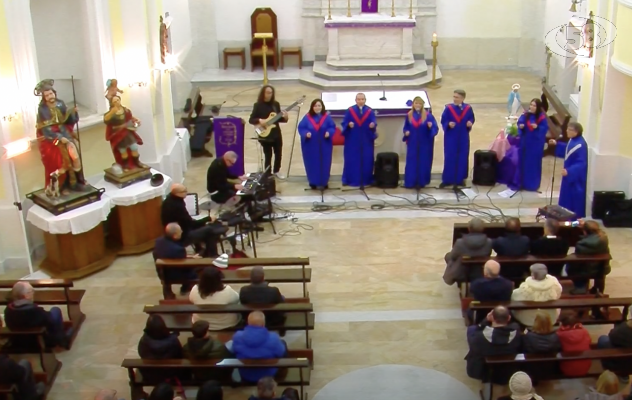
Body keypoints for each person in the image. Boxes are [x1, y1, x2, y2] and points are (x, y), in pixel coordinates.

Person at [34, 79, 87, 196]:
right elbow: (45, 128)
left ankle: (77, 182)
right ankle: (63, 186)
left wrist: (74, 113)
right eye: (47, 95)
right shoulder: (42, 109)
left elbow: (67, 120)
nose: (49, 96)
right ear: (44, 97)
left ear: (54, 93)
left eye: (51, 93)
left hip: (65, 133)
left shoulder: (60, 103)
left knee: (75, 157)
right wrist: (58, 137)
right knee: (61, 161)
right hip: (52, 138)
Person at [161, 183, 228, 257]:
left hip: (175, 230)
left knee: (202, 226)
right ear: (177, 193)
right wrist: (207, 219)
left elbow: (186, 221)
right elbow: (190, 223)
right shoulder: (177, 206)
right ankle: (212, 255)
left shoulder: (168, 200)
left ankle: (200, 249)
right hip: (181, 235)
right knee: (209, 230)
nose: (186, 192)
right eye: (184, 191)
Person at [465, 306, 522, 385]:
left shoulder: (479, 337)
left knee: (471, 329)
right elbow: (515, 325)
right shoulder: (516, 331)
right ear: (509, 318)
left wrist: (484, 322)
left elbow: (473, 345)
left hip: (485, 369)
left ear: (492, 317)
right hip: (508, 366)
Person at [4, 281, 70, 349]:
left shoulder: (8, 310)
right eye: (31, 291)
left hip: (18, 340)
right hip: (37, 340)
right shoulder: (34, 311)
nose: (33, 293)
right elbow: (49, 320)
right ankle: (61, 339)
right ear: (26, 296)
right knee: (55, 310)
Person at [232, 311, 287, 383]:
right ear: (264, 324)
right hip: (269, 373)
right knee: (283, 344)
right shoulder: (273, 338)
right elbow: (280, 353)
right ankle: (282, 375)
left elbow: (233, 351)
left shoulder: (237, 336)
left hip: (246, 374)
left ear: (248, 323)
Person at [549, 121, 588, 218]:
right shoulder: (573, 140)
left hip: (575, 178)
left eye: (569, 129)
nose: (566, 131)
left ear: (576, 132)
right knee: (566, 197)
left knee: (573, 199)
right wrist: (556, 144)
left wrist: (570, 171)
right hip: (568, 175)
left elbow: (581, 163)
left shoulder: (581, 144)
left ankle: (573, 217)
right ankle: (564, 214)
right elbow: (567, 150)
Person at [249, 85, 288, 178]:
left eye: (271, 93)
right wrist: (260, 120)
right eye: (268, 92)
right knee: (268, 154)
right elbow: (251, 119)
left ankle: (276, 171)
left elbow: (278, 119)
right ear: (263, 93)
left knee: (278, 153)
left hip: (276, 132)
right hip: (265, 134)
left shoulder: (275, 104)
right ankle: (267, 173)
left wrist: (285, 118)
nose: (269, 95)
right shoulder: (257, 105)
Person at [153, 223, 200, 298]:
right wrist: (193, 260)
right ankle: (186, 287)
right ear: (174, 235)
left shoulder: (159, 241)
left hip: (162, 272)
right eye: (180, 231)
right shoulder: (179, 249)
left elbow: (173, 256)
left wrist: (189, 257)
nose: (181, 232)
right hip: (174, 274)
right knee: (197, 269)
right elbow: (185, 265)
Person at [512, 98, 549, 191]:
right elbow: (520, 121)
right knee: (523, 162)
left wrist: (537, 127)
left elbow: (544, 129)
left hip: (535, 145)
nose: (532, 107)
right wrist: (521, 126)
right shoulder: (526, 114)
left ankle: (532, 185)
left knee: (533, 164)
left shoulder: (541, 117)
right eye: (531, 105)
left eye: (534, 105)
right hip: (525, 142)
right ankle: (522, 183)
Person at [341, 93, 377, 187]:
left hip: (366, 139)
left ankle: (366, 179)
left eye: (362, 99)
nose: (360, 101)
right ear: (355, 100)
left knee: (367, 159)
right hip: (353, 139)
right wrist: (348, 125)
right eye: (359, 99)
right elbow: (344, 122)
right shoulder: (350, 110)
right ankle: (350, 179)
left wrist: (372, 125)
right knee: (352, 159)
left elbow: (373, 121)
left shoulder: (369, 111)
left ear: (365, 100)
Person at [297, 99, 335, 189]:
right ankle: (313, 182)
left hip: (324, 145)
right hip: (311, 146)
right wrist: (306, 133)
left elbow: (332, 127)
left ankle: (324, 182)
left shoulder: (327, 117)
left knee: (325, 163)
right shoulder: (307, 117)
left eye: (319, 106)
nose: (317, 107)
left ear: (322, 107)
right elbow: (301, 128)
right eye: (315, 106)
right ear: (312, 107)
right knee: (312, 163)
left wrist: (329, 132)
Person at [440, 89, 475, 188]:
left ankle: (459, 179)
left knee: (462, 157)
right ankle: (447, 179)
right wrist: (448, 124)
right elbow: (443, 120)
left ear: (463, 98)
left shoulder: (468, 108)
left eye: (457, 97)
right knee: (450, 156)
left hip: (463, 136)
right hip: (451, 136)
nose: (454, 99)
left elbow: (471, 118)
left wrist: (470, 123)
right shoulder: (448, 108)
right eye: (454, 97)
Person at [443, 217, 492, 285]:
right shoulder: (489, 242)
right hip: (480, 270)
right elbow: (488, 254)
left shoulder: (460, 242)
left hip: (463, 271)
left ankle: (458, 280)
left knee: (448, 256)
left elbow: (453, 257)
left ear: (469, 229)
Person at [402, 96, 438, 188]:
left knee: (423, 162)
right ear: (413, 104)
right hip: (413, 142)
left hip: (424, 143)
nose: (417, 105)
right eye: (416, 103)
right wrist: (406, 132)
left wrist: (430, 127)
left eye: (419, 103)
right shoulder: (409, 115)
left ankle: (421, 182)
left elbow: (435, 128)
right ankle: (410, 182)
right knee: (412, 162)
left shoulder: (428, 115)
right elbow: (406, 127)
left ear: (422, 105)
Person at [137, 315, 187, 381]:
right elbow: (180, 355)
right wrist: (174, 336)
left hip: (150, 373)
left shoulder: (144, 341)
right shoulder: (173, 341)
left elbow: (141, 353)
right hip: (170, 373)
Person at [568, 219, 610, 294]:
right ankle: (597, 289)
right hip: (601, 267)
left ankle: (580, 287)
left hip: (586, 269)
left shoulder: (581, 244)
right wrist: (586, 225)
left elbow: (577, 262)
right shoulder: (604, 237)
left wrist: (575, 224)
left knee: (570, 264)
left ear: (585, 232)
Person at [104, 95, 145, 171]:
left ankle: (137, 162)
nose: (117, 102)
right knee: (123, 150)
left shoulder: (125, 110)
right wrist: (112, 112)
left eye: (118, 100)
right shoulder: (111, 113)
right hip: (119, 135)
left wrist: (136, 119)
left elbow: (130, 117)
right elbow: (106, 120)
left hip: (127, 132)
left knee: (134, 147)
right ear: (112, 103)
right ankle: (125, 165)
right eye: (114, 101)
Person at [557, 311, 591, 377]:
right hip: (585, 368)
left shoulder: (559, 334)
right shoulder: (584, 331)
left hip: (566, 369)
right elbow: (589, 342)